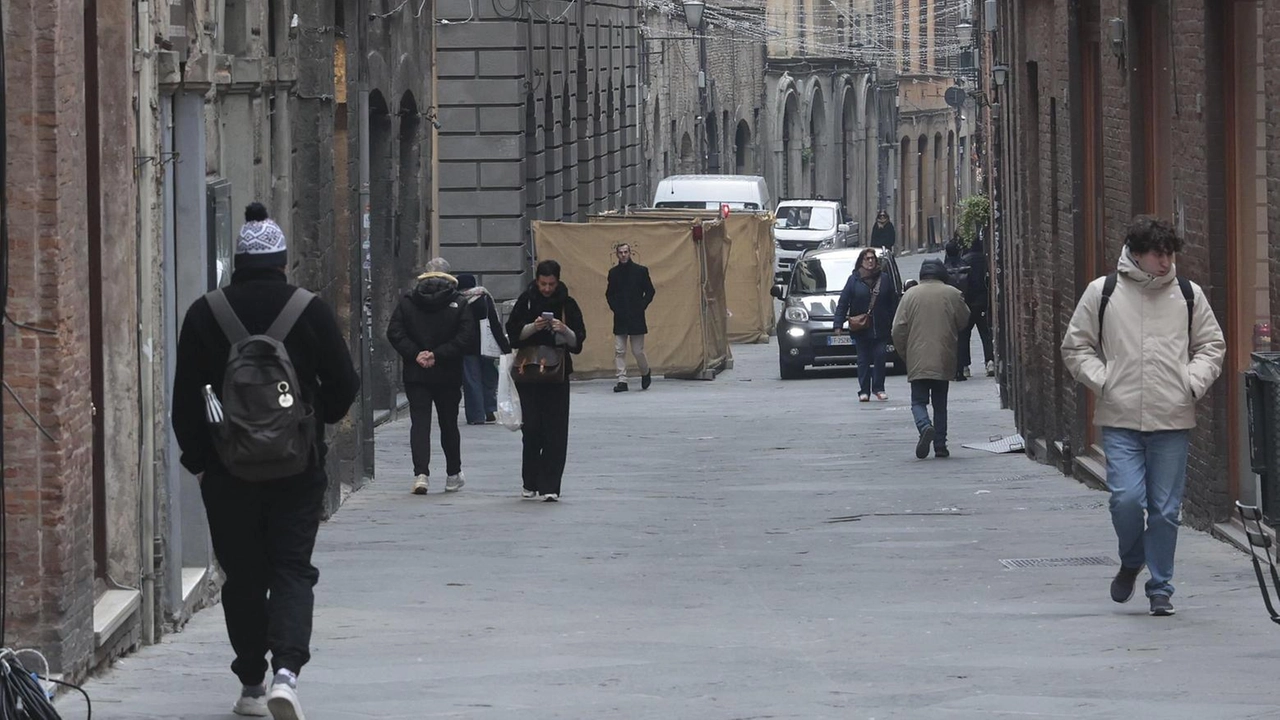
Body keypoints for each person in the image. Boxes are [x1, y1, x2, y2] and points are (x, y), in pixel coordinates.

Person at [172, 202, 360, 719]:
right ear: (282, 262)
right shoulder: (309, 309)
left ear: (237, 261)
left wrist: (200, 461)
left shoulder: (205, 313)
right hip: (297, 469)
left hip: (227, 471)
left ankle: (252, 684)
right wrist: (313, 423)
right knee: (293, 569)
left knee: (244, 575)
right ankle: (287, 673)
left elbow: (185, 399)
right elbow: (345, 384)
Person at [1061, 216, 1224, 617]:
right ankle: (1132, 559)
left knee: (1166, 510)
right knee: (1126, 500)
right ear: (1135, 253)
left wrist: (1191, 383)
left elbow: (1211, 345)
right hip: (1120, 418)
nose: (1165, 262)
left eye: (1169, 254)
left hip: (1173, 418)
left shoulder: (1188, 294)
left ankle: (1161, 588)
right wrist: (1105, 381)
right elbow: (1075, 346)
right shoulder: (1104, 292)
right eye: (1157, 254)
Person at [386, 265, 478, 495]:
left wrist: (416, 353)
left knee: (420, 423)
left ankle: (421, 474)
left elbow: (395, 332)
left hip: (416, 373)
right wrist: (438, 354)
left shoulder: (408, 301)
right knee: (449, 424)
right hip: (447, 373)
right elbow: (466, 337)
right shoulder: (459, 302)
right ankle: (452, 474)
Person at [506, 260, 586, 502]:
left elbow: (578, 342)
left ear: (558, 281)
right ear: (537, 280)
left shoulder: (567, 304)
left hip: (557, 375)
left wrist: (563, 330)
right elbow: (513, 335)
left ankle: (551, 485)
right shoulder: (526, 300)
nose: (547, 289)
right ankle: (529, 481)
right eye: (543, 283)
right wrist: (533, 326)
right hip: (527, 374)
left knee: (556, 431)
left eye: (551, 284)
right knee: (530, 428)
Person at [891, 259, 969, 460]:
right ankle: (941, 446)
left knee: (918, 401)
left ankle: (925, 425)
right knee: (940, 403)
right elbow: (964, 320)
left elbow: (897, 329)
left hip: (917, 356)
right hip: (943, 355)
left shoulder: (910, 295)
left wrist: (905, 353)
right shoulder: (952, 293)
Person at [833, 248, 900, 402]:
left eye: (872, 259)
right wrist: (838, 324)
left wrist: (895, 321)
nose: (870, 261)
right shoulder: (854, 280)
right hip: (861, 328)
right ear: (861, 261)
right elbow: (843, 302)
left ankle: (879, 388)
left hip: (881, 327)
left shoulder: (884, 279)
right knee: (863, 360)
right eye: (867, 259)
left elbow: (893, 302)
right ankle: (864, 391)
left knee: (880, 357)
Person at [457, 273, 512, 424]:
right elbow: (494, 324)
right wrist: (505, 347)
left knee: (472, 381)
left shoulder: (458, 301)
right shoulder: (483, 297)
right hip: (487, 345)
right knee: (489, 378)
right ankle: (489, 408)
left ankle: (476, 415)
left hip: (467, 347)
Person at [605, 242, 656, 392]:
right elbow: (609, 294)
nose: (623, 255)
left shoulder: (640, 271)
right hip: (620, 316)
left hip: (636, 316)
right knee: (619, 350)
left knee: (637, 350)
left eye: (626, 252)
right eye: (620, 252)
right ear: (617, 255)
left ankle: (645, 372)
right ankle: (622, 380)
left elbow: (650, 291)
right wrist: (615, 308)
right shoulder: (613, 273)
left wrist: (642, 306)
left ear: (630, 253)